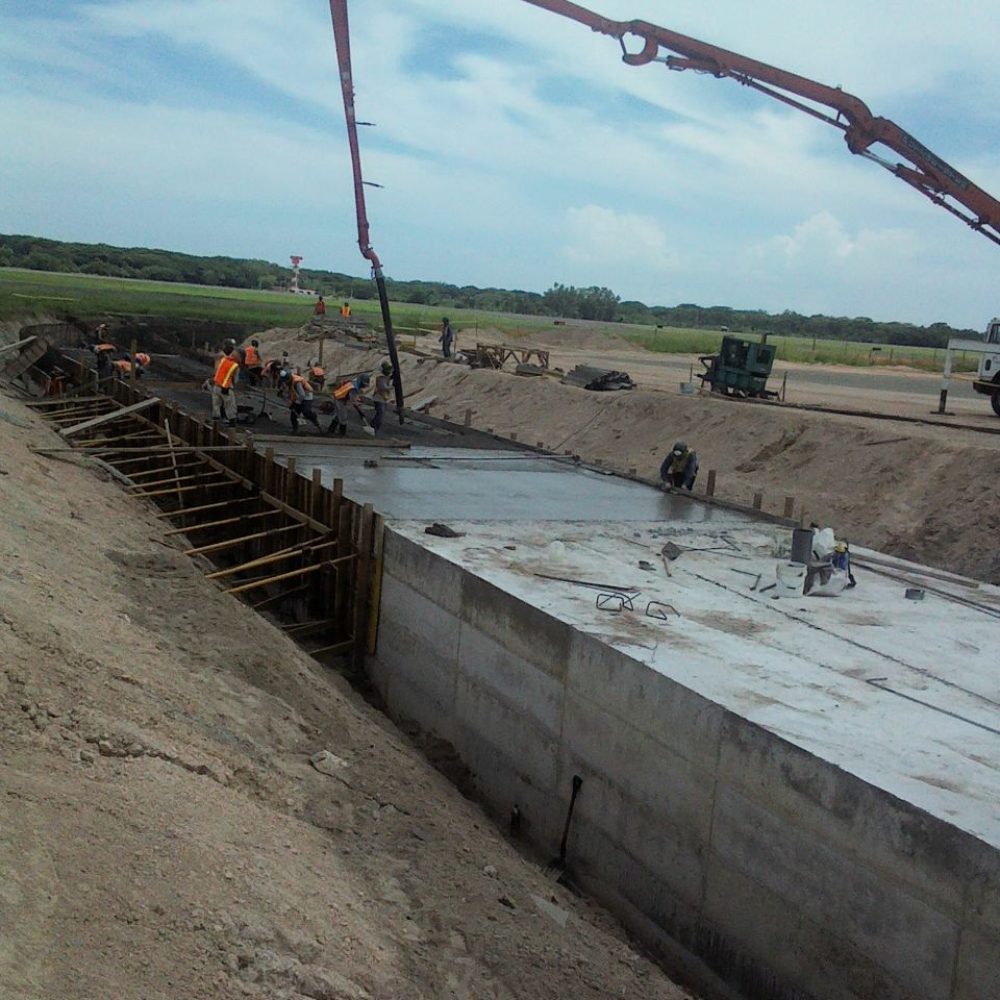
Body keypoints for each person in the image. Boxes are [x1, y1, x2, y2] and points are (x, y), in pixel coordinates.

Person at [209, 339, 241, 426]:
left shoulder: (223, 360)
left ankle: (215, 421)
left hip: (216, 385)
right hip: (226, 388)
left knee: (216, 404)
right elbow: (235, 380)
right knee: (229, 405)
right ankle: (232, 422)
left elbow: (218, 370)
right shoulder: (235, 365)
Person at [281, 369, 321, 434]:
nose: (285, 382)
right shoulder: (289, 381)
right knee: (293, 415)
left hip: (307, 397)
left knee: (306, 412)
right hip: (298, 397)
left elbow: (302, 395)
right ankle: (295, 429)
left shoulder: (297, 382)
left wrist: (294, 403)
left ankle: (314, 419)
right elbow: (290, 391)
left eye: (286, 381)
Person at [372, 360, 393, 432]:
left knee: (380, 413)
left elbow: (389, 378)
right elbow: (383, 387)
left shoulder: (385, 377)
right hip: (378, 399)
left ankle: (373, 424)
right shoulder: (381, 378)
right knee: (380, 413)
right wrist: (392, 387)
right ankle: (375, 426)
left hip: (382, 398)